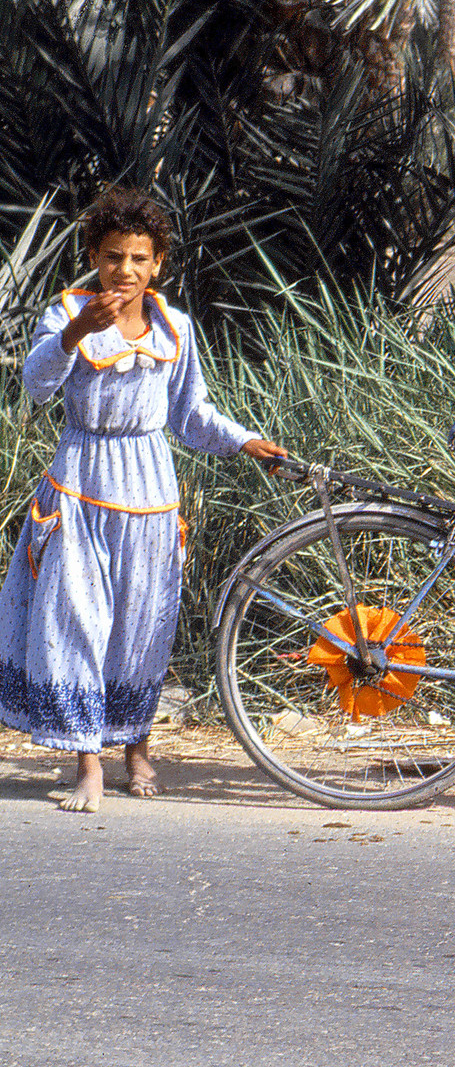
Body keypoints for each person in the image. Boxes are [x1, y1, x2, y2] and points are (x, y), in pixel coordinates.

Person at [0, 187, 288, 812]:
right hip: (78, 488)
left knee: (141, 628)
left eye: (137, 258)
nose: (123, 271)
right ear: (94, 256)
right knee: (75, 621)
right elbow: (37, 385)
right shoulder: (67, 314)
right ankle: (88, 764)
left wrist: (246, 443)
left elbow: (191, 416)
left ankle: (137, 749)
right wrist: (77, 331)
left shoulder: (175, 327)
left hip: (151, 495)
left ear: (158, 262)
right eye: (111, 256)